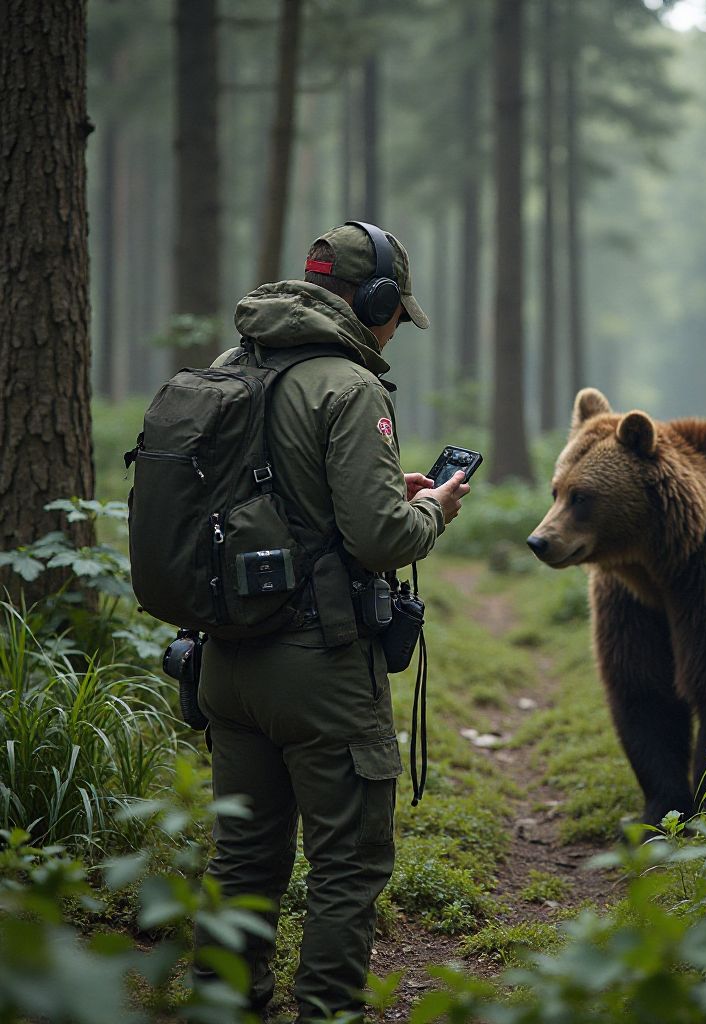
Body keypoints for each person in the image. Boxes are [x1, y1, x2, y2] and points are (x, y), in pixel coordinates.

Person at [193, 222, 470, 1022]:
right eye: (396, 313)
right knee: (346, 870)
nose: (395, 330)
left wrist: (387, 487)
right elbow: (381, 538)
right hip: (320, 667)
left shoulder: (228, 369)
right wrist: (432, 508)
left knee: (242, 861)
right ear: (376, 300)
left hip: (225, 663)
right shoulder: (350, 389)